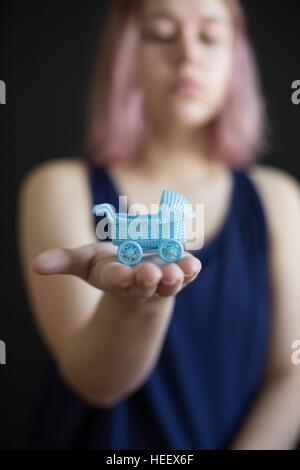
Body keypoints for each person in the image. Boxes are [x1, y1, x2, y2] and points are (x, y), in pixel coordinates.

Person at [18, 0, 300, 450]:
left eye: (210, 36)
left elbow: (293, 374)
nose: (188, 55)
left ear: (236, 59)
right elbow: (96, 382)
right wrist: (138, 303)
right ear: (126, 55)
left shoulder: (279, 199)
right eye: (163, 34)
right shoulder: (58, 187)